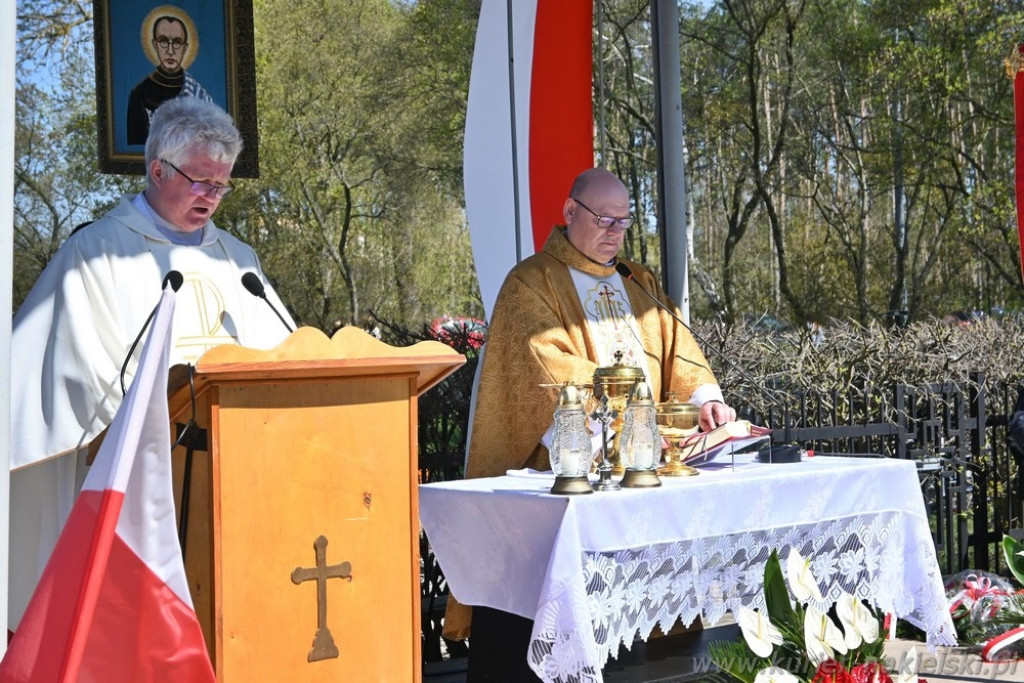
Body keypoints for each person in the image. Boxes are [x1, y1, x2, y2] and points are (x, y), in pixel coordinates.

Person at [9, 96, 295, 630]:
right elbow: (77, 377)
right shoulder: (96, 254)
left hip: (242, 477)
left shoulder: (240, 261)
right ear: (158, 169)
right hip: (143, 488)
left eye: (222, 184)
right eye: (201, 181)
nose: (213, 196)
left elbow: (282, 356)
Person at [446, 167, 736, 679]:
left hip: (642, 479)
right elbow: (540, 365)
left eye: (624, 222)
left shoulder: (636, 281)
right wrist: (629, 414)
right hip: (560, 478)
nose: (614, 233)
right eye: (604, 219)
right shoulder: (531, 282)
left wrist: (705, 398)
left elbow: (678, 349)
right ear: (569, 212)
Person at [126, 11, 214, 145]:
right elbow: (136, 148)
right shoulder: (139, 95)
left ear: (185, 48)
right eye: (163, 41)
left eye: (177, 42)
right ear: (155, 45)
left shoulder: (200, 96)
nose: (171, 50)